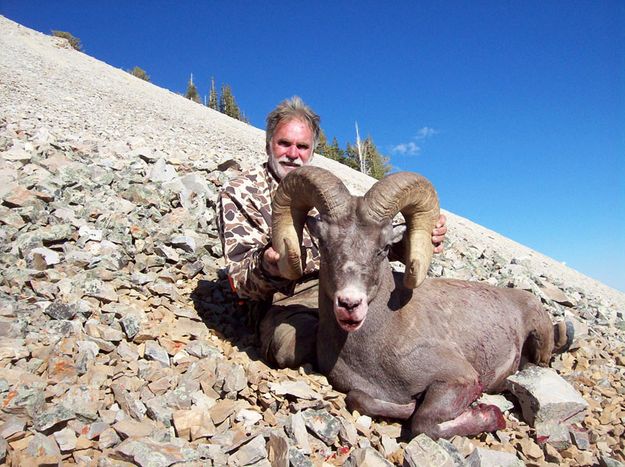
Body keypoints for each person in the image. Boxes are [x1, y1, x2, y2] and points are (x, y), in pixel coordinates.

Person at [218, 96, 447, 368]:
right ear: (269, 143)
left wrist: (416, 239)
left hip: (344, 282)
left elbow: (368, 247)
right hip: (285, 298)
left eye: (302, 146)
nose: (293, 153)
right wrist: (270, 265)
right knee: (291, 346)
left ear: (312, 150)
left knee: (420, 316)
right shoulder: (241, 192)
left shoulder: (327, 194)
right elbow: (241, 284)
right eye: (284, 143)